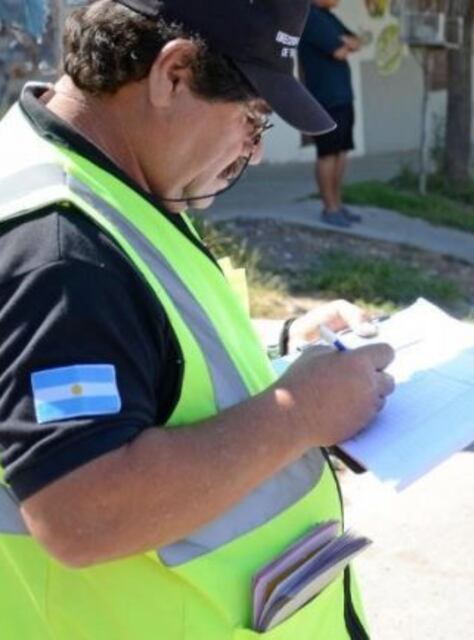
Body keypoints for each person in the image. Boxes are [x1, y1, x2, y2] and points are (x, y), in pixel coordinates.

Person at [0, 2, 397, 638]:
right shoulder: (60, 249)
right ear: (174, 74)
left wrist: (282, 349)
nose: (257, 153)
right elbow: (81, 512)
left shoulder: (111, 183)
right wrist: (300, 413)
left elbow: (149, 363)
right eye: (254, 118)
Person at [299, 0, 362, 228]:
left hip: (343, 96)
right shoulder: (311, 16)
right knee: (327, 153)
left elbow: (356, 41)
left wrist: (349, 43)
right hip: (325, 98)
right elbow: (339, 52)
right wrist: (346, 44)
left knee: (342, 151)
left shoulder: (329, 16)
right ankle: (329, 208)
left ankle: (338, 204)